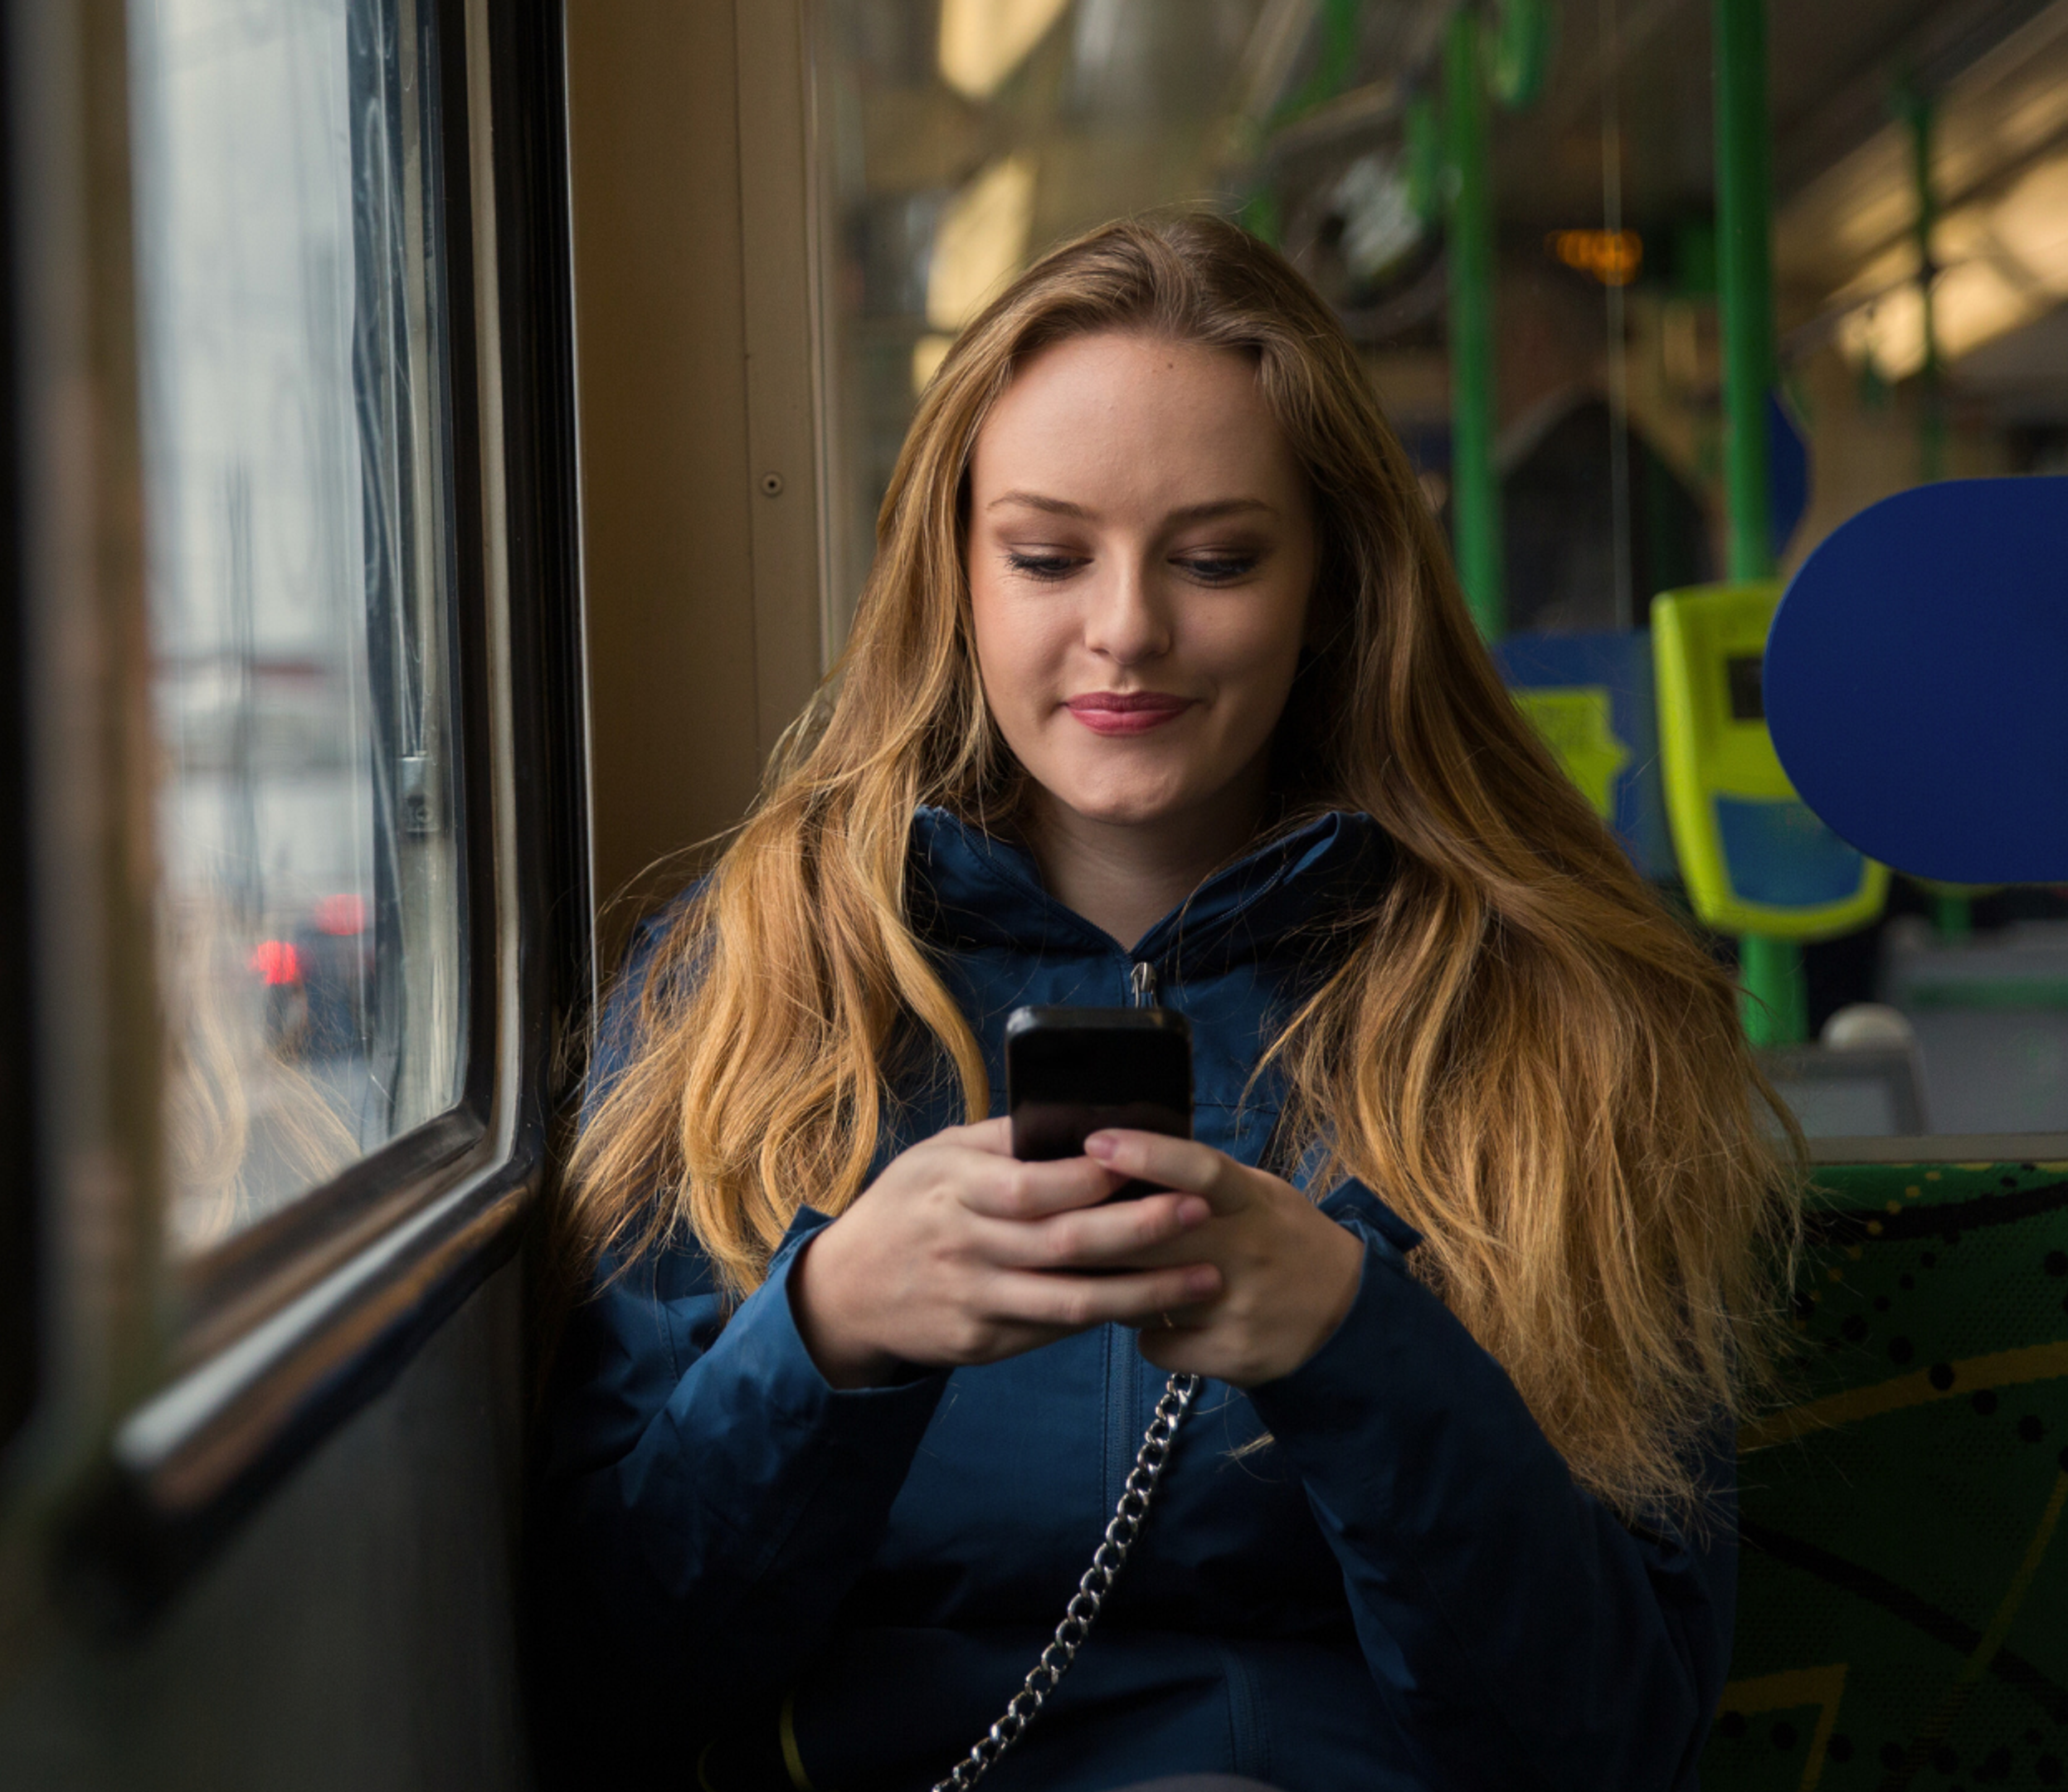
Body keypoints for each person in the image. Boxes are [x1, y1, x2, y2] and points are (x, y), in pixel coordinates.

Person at [532, 212, 1796, 1792]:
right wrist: (828, 1332)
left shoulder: (1560, 1019)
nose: (1125, 628)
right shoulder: (755, 986)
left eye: (1216, 559)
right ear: (957, 575)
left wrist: (1355, 1347)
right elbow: (612, 1680)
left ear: (1333, 584)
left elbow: (1606, 1744)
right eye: (1049, 558)